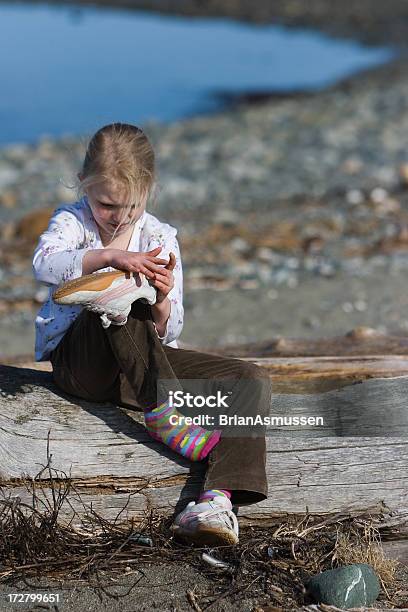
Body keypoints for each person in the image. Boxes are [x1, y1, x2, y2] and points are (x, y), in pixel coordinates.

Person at [32, 122, 272, 547]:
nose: (119, 216)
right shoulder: (71, 221)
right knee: (117, 294)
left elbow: (170, 328)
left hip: (141, 368)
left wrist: (160, 298)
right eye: (106, 204)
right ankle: (165, 415)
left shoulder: (159, 237)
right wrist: (110, 257)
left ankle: (215, 501)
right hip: (82, 365)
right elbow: (44, 265)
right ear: (84, 184)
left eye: (130, 206)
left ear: (148, 191)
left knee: (249, 380)